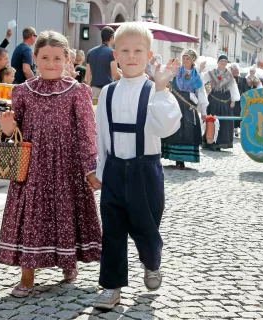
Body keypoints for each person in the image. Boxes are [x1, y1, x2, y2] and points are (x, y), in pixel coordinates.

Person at [0, 30, 102, 298]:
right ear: (35, 58)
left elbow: (87, 132)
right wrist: (8, 128)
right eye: (45, 58)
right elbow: (14, 134)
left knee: (66, 215)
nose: (51, 63)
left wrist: (90, 168)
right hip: (32, 169)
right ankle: (27, 276)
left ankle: (69, 263)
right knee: (31, 218)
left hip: (67, 166)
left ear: (67, 59)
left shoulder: (78, 92)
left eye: (57, 58)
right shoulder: (22, 91)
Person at [93, 22, 182, 309]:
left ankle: (151, 261)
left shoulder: (155, 89)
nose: (131, 56)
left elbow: (166, 126)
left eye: (138, 51)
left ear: (148, 55)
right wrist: (100, 170)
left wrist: (160, 87)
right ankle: (111, 286)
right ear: (115, 54)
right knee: (113, 230)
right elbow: (102, 135)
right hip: (116, 170)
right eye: (125, 50)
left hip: (146, 171)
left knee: (147, 227)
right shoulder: (107, 92)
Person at [162, 49, 208, 169]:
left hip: (189, 106)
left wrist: (203, 111)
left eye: (187, 59)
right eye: (184, 58)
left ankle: (182, 159)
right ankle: (174, 156)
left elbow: (201, 92)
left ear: (193, 60)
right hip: (176, 103)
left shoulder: (196, 76)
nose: (185, 60)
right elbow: (164, 76)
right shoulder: (177, 71)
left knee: (187, 129)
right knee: (175, 127)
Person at [200, 55, 240, 151]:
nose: (223, 62)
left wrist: (233, 100)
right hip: (213, 99)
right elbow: (201, 80)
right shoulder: (212, 73)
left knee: (224, 122)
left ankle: (221, 143)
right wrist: (200, 70)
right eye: (221, 61)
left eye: (225, 61)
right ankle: (210, 142)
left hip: (225, 100)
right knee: (211, 120)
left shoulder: (229, 75)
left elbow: (233, 87)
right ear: (218, 62)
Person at [86, 26, 120, 99]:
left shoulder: (90, 52)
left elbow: (88, 75)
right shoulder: (112, 53)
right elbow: (115, 74)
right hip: (108, 89)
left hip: (94, 89)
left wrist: (88, 89)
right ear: (112, 37)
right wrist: (123, 79)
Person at [230, 62, 246, 137]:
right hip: (230, 100)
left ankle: (236, 129)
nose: (236, 72)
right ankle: (231, 128)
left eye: (237, 70)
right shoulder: (229, 78)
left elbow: (245, 89)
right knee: (231, 114)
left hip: (239, 101)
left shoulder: (243, 79)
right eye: (234, 70)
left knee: (237, 114)